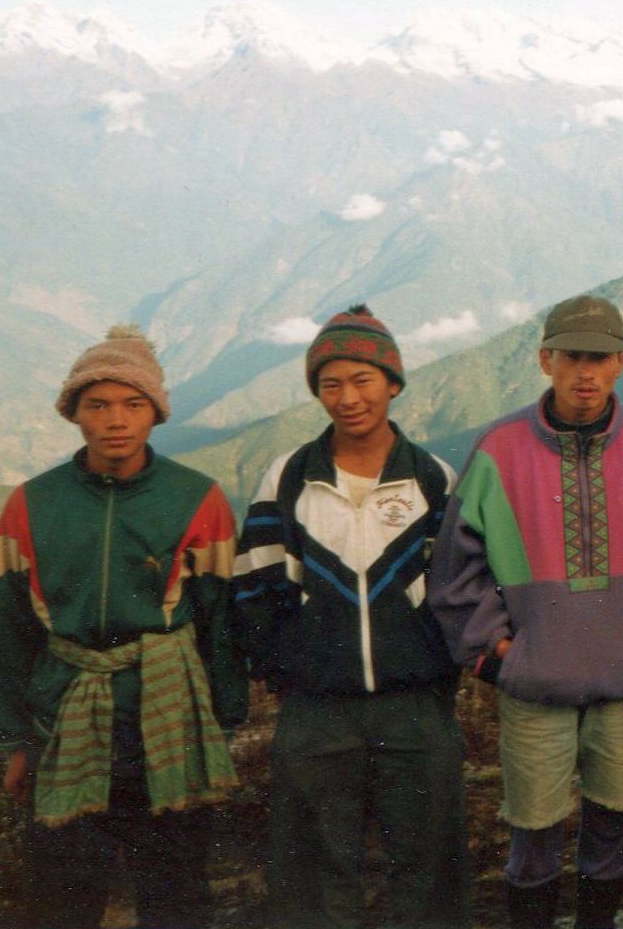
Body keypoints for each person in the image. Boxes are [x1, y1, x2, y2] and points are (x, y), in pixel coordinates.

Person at [0, 324, 246, 929]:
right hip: (64, 716)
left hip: (167, 715)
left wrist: (224, 723)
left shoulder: (197, 499)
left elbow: (220, 624)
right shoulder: (31, 504)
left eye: (133, 404)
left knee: (176, 890)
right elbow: (9, 630)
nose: (116, 420)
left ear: (156, 411)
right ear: (73, 413)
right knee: (61, 893)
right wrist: (12, 738)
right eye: (97, 405)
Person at [429, 294, 623, 929]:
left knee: (615, 818)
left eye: (600, 358)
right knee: (533, 830)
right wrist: (501, 651)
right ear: (544, 360)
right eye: (571, 357)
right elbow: (454, 573)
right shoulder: (498, 450)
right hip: (535, 681)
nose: (585, 373)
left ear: (621, 362)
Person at [231, 304, 469, 929]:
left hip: (416, 705)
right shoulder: (288, 478)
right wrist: (288, 665)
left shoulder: (433, 481)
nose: (348, 398)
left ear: (393, 384)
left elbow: (462, 589)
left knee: (427, 865)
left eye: (363, 380)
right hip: (316, 709)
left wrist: (439, 668)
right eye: (330, 384)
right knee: (312, 870)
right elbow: (255, 582)